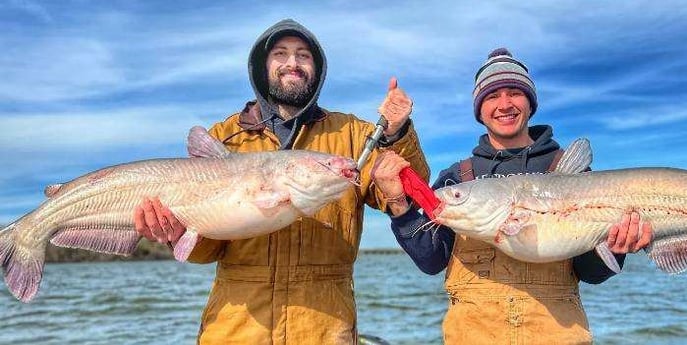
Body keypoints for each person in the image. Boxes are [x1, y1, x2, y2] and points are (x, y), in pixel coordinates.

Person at [132, 19, 429, 345]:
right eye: (281, 54)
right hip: (235, 330)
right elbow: (209, 249)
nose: (292, 63)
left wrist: (398, 133)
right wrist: (176, 234)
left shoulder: (354, 136)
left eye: (303, 55)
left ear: (317, 69)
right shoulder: (225, 138)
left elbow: (412, 194)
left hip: (326, 329)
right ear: (263, 66)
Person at [371, 48, 653, 344]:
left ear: (530, 104)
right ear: (479, 110)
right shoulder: (458, 177)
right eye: (492, 96)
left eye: (515, 93)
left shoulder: (569, 172)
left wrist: (616, 246)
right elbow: (431, 260)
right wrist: (399, 206)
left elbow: (590, 273)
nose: (504, 104)